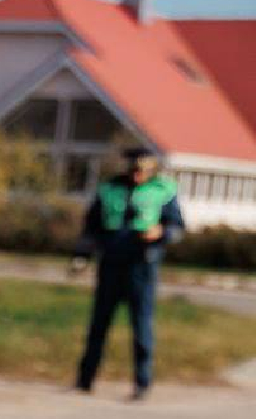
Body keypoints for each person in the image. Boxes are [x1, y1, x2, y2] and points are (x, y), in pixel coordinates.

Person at [73, 148, 185, 401]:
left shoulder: (163, 191)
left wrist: (161, 233)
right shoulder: (110, 189)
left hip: (142, 267)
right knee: (98, 326)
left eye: (143, 171)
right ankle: (84, 380)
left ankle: (142, 384)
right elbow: (91, 228)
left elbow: (177, 228)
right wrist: (81, 257)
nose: (137, 176)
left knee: (142, 327)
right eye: (134, 170)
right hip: (110, 264)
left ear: (151, 170)